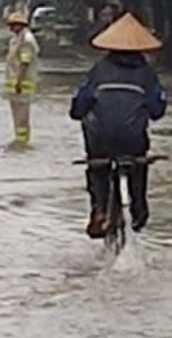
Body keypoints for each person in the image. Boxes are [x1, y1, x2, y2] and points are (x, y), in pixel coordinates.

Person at [69, 13, 167, 237]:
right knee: (138, 166)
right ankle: (139, 210)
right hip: (133, 142)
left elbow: (78, 107)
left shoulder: (98, 71)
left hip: (100, 142)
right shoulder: (147, 75)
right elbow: (157, 111)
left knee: (97, 168)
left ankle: (98, 209)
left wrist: (81, 112)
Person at [4, 11, 40, 147]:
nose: (11, 28)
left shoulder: (26, 40)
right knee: (17, 115)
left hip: (23, 85)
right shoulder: (16, 39)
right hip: (16, 85)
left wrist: (18, 82)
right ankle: (19, 139)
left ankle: (22, 142)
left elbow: (25, 62)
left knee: (22, 117)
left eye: (13, 25)